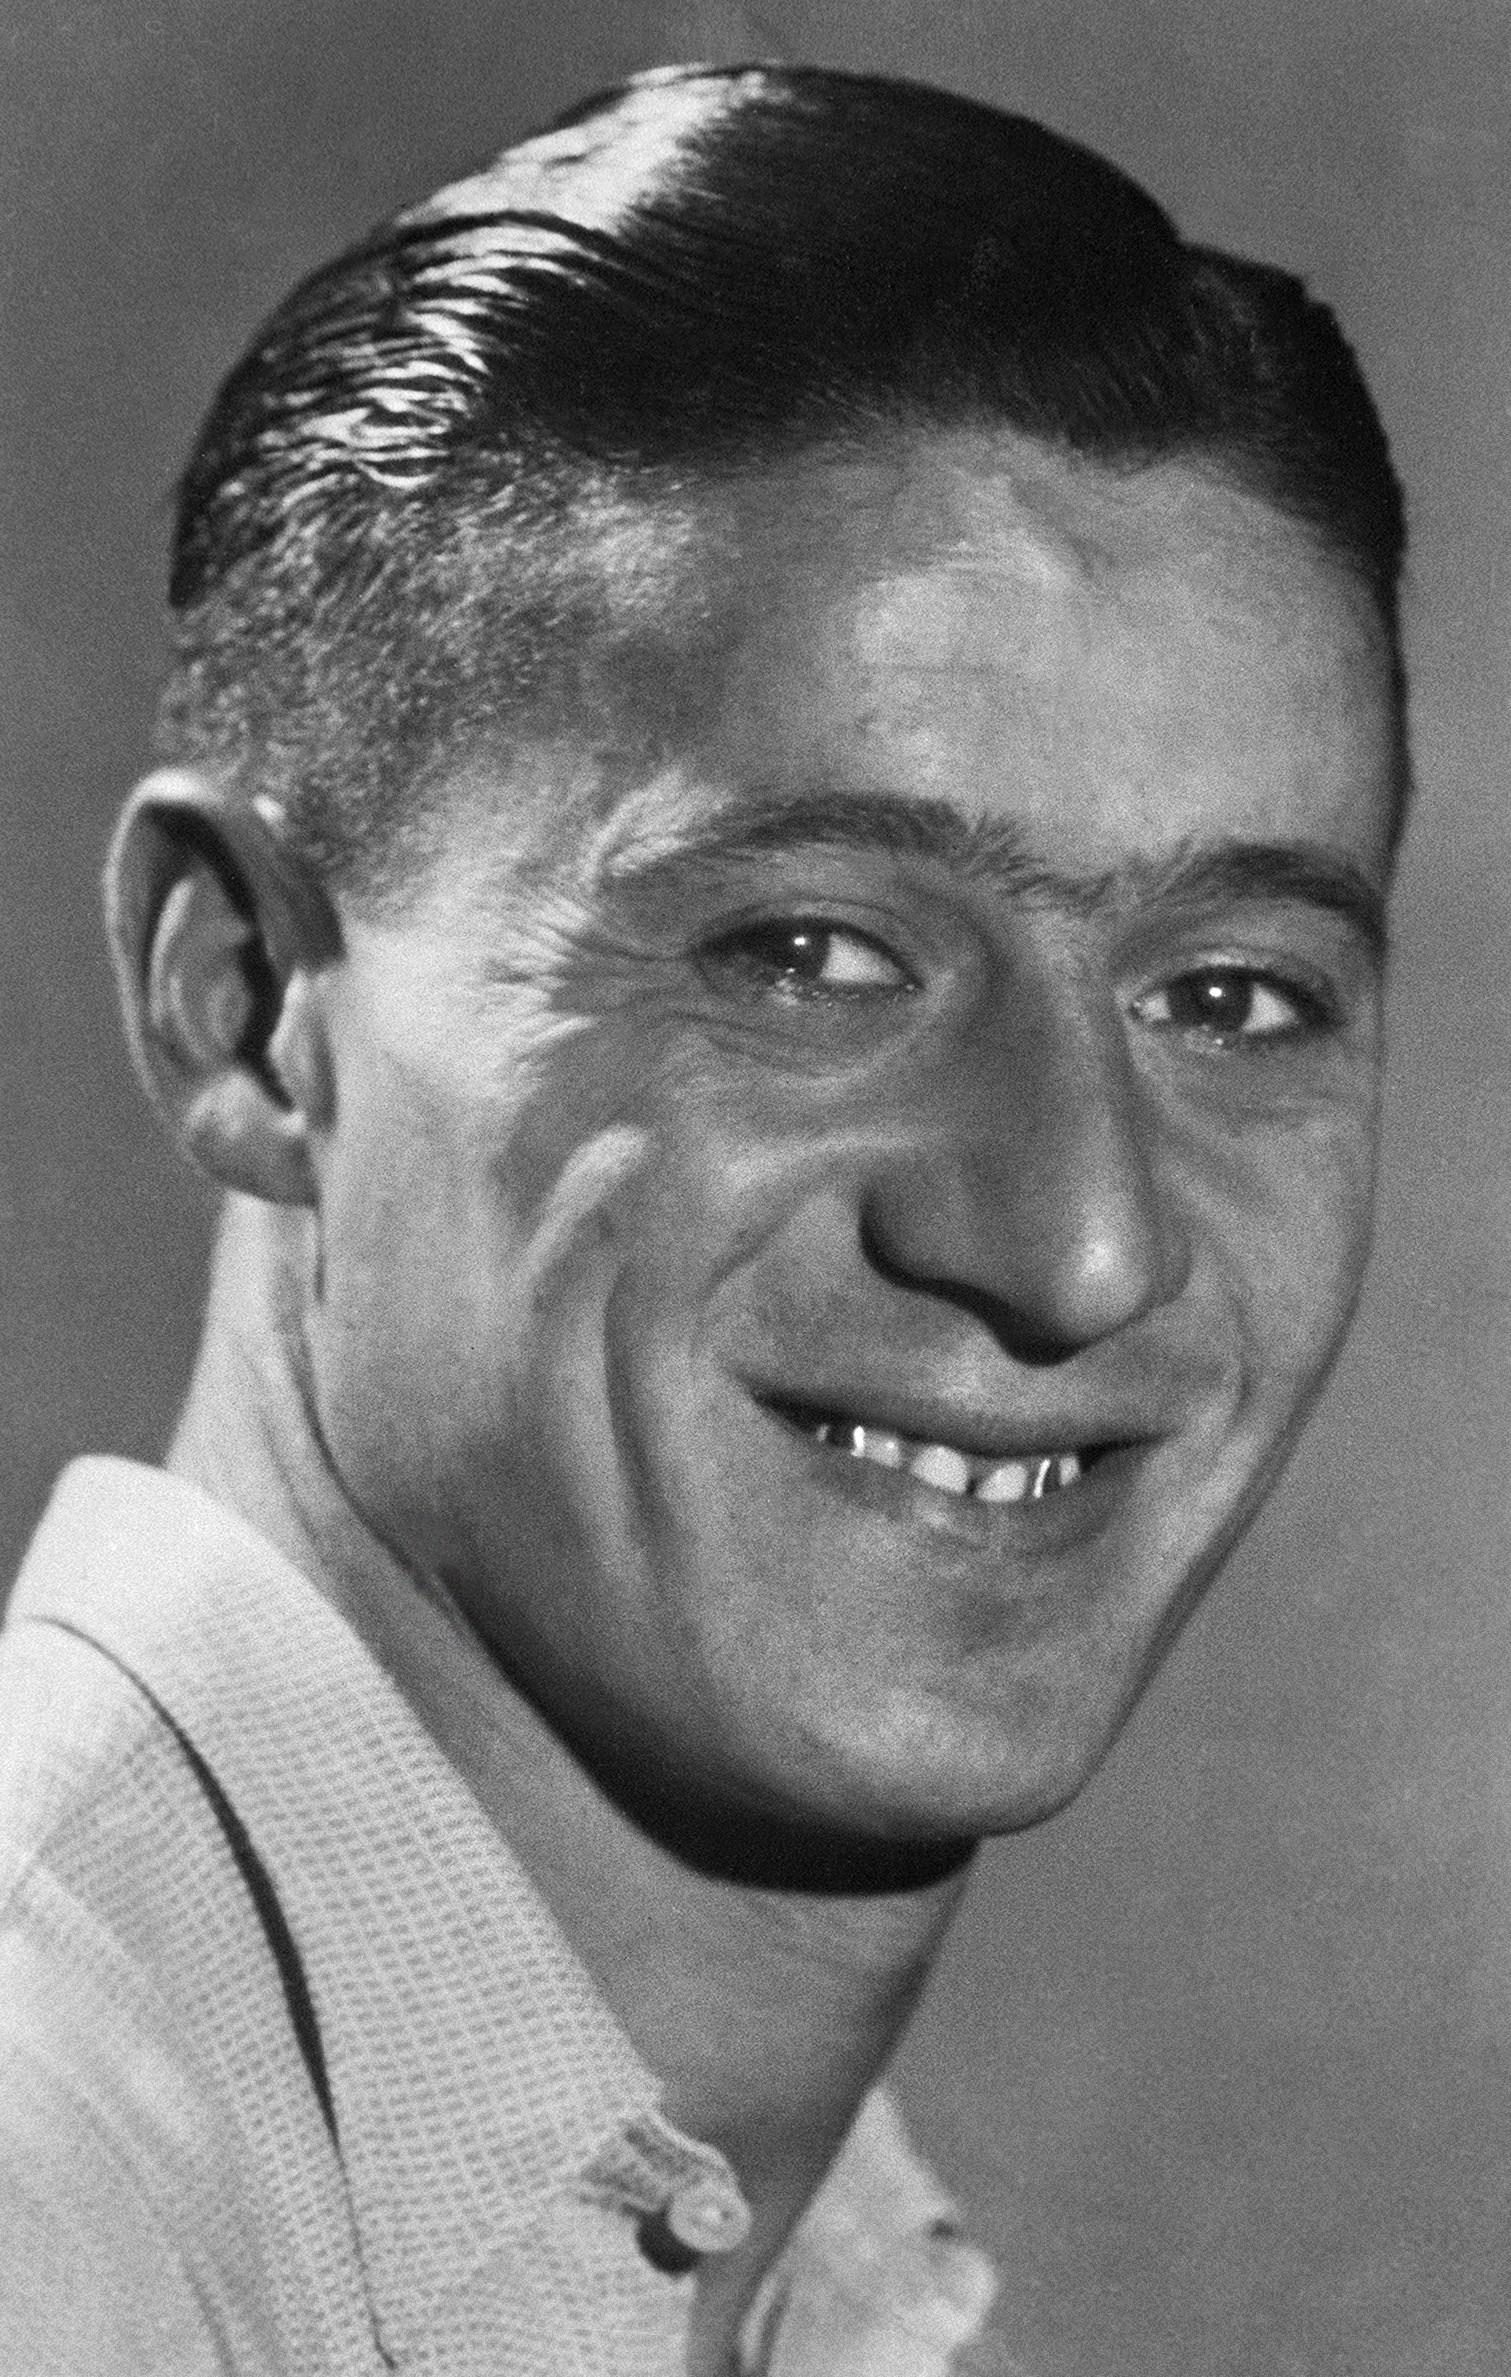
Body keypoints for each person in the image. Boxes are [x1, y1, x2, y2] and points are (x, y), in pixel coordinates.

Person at [0, 58, 1406, 2377]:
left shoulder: (778, 2282)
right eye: (811, 956)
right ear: (243, 1003)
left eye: (1230, 995)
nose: (1082, 1248)